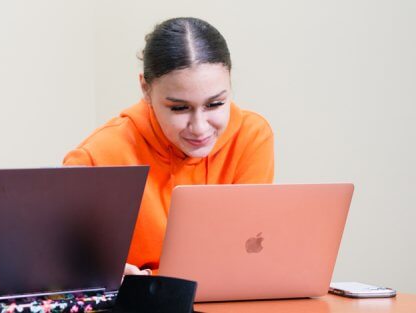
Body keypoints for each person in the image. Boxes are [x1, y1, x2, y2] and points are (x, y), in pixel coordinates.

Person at [64, 17, 274, 273]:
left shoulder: (252, 136)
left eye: (216, 104)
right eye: (179, 108)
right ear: (145, 88)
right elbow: (64, 273)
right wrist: (106, 278)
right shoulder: (97, 157)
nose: (199, 127)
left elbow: (247, 252)